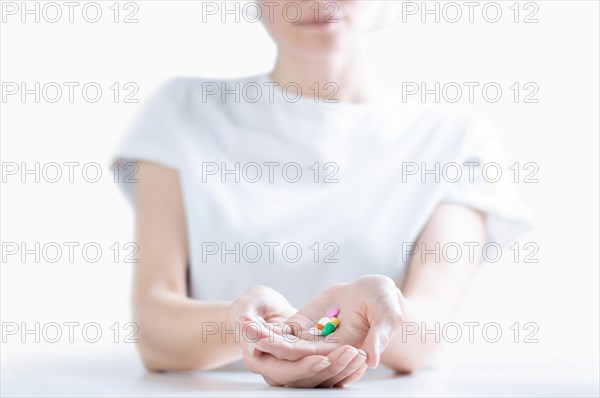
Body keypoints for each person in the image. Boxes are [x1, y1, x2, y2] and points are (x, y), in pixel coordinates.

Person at [114, 0, 533, 388]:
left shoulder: (455, 141)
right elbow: (154, 326)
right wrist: (240, 325)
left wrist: (377, 313)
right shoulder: (183, 113)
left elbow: (428, 326)